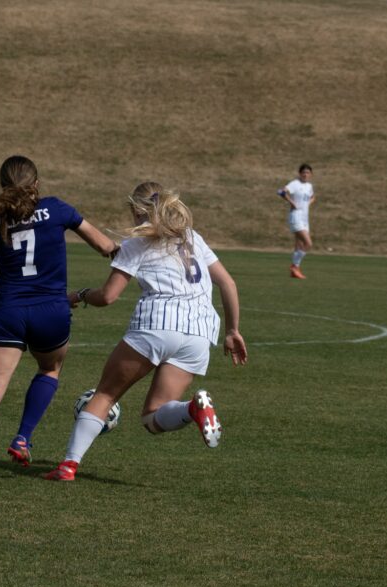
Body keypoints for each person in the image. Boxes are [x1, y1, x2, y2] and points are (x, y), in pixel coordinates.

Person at [44, 182, 248, 482]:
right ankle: (193, 408)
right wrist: (232, 330)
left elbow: (108, 296)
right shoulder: (192, 238)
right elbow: (228, 283)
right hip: (200, 333)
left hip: (157, 324)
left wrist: (79, 295)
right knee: (153, 418)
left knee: (105, 395)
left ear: (137, 210)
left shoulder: (135, 244)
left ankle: (68, 466)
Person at [0, 155, 118, 486]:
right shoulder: (57, 209)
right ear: (37, 184)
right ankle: (22, 438)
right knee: (49, 369)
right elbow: (105, 246)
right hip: (52, 311)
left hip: (9, 310)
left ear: (3, 186)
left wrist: (0, 218)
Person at [277, 163, 316, 279]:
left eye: (308, 172)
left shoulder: (309, 186)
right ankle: (294, 266)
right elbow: (280, 192)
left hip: (305, 218)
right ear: (300, 173)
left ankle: (294, 272)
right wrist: (292, 202)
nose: (305, 174)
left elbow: (313, 196)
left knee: (298, 245)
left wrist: (309, 203)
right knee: (308, 243)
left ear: (311, 174)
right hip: (296, 217)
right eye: (303, 172)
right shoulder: (295, 184)